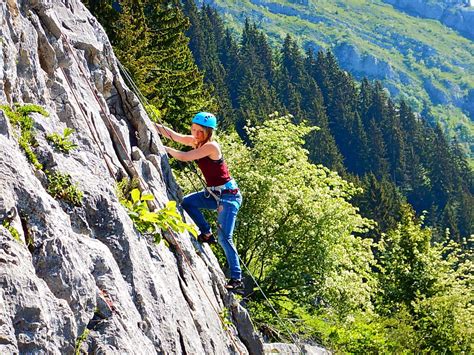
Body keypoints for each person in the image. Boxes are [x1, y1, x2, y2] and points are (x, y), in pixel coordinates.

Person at [155, 112, 244, 291]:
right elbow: (174, 135)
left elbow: (184, 157)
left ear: (209, 132)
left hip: (228, 197)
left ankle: (237, 279)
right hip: (215, 194)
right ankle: (206, 234)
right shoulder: (197, 141)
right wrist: (149, 122)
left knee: (225, 237)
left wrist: (164, 148)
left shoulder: (211, 146)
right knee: (187, 203)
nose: (196, 134)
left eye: (200, 131)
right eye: (194, 129)